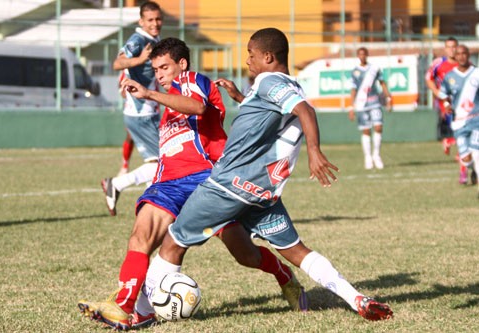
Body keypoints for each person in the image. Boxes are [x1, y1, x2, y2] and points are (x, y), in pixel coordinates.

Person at [142, 28, 393, 323]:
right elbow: (272, 117)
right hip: (263, 195)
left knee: (173, 241)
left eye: (251, 54)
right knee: (294, 251)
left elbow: (305, 111)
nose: (247, 60)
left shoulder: (268, 80)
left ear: (268, 57)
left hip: (228, 185)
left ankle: (142, 312)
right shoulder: (287, 84)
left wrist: (314, 151)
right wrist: (240, 97)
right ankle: (356, 298)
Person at [78, 37, 309, 331]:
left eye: (164, 67)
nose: (159, 74)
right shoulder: (167, 105)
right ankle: (127, 307)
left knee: (245, 254)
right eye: (155, 69)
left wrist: (149, 93)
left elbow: (198, 108)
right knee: (141, 237)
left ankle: (284, 275)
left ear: (182, 64)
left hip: (207, 179)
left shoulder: (192, 80)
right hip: (169, 183)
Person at [101, 1, 163, 216]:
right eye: (150, 20)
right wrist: (141, 58)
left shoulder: (154, 39)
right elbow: (118, 63)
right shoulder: (138, 40)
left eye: (158, 19)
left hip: (148, 109)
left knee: (158, 162)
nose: (155, 23)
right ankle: (117, 184)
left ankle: (148, 205)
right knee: (163, 162)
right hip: (141, 112)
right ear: (141, 21)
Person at [425, 37, 476, 185]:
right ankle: (464, 170)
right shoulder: (439, 63)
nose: (452, 50)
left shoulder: (468, 65)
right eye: (449, 47)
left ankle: (463, 166)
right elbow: (429, 78)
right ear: (445, 49)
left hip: (469, 109)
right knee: (463, 136)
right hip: (448, 107)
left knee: (469, 138)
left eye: (454, 47)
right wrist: (438, 94)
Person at [438, 44, 479, 197]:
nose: (462, 56)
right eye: (459, 54)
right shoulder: (450, 76)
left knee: (476, 152)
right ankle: (472, 170)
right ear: (455, 56)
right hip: (459, 122)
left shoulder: (476, 73)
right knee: (466, 159)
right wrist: (447, 105)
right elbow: (444, 95)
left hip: (476, 119)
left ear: (469, 55)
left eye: (464, 53)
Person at [348, 47, 392, 170]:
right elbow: (353, 89)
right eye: (360, 54)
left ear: (367, 55)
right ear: (358, 56)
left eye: (364, 54)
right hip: (362, 104)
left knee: (378, 127)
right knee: (366, 130)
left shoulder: (374, 69)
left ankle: (376, 155)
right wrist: (351, 107)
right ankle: (367, 157)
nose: (362, 56)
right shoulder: (355, 72)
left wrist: (388, 98)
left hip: (375, 102)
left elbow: (383, 83)